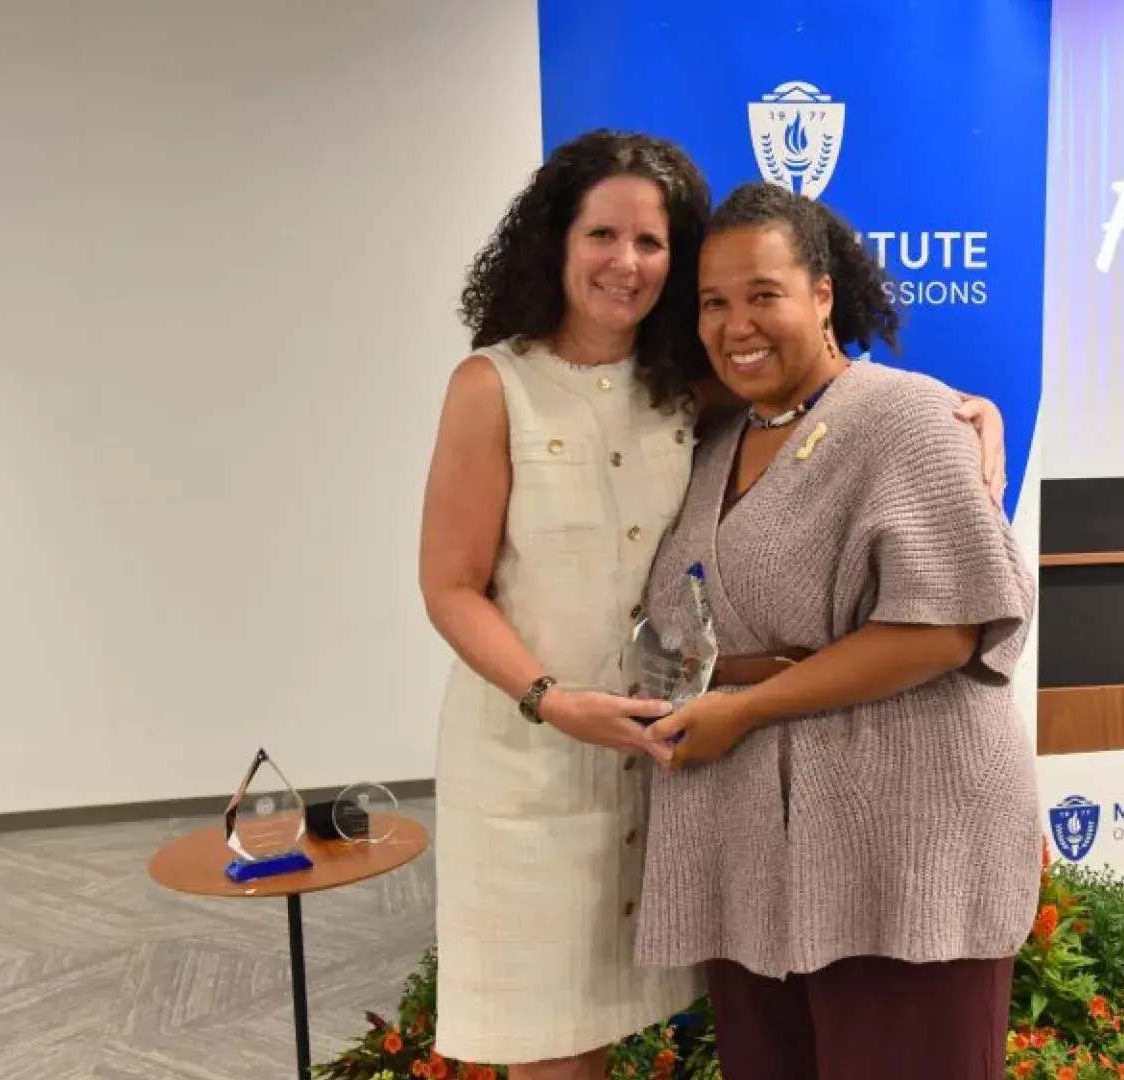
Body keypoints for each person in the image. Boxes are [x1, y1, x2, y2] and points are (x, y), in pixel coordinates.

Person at [417, 132, 1012, 1080]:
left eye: (652, 244)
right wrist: (554, 697)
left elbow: (849, 418)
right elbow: (449, 582)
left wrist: (962, 406)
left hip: (753, 796)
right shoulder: (533, 390)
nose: (626, 262)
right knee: (548, 1051)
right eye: (601, 234)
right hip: (555, 762)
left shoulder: (698, 398)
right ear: (555, 242)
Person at [631, 180, 1043, 1080]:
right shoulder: (713, 440)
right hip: (752, 843)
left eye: (764, 295)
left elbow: (945, 630)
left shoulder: (908, 418)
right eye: (714, 302)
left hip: (902, 831)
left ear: (823, 295)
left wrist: (744, 709)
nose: (738, 323)